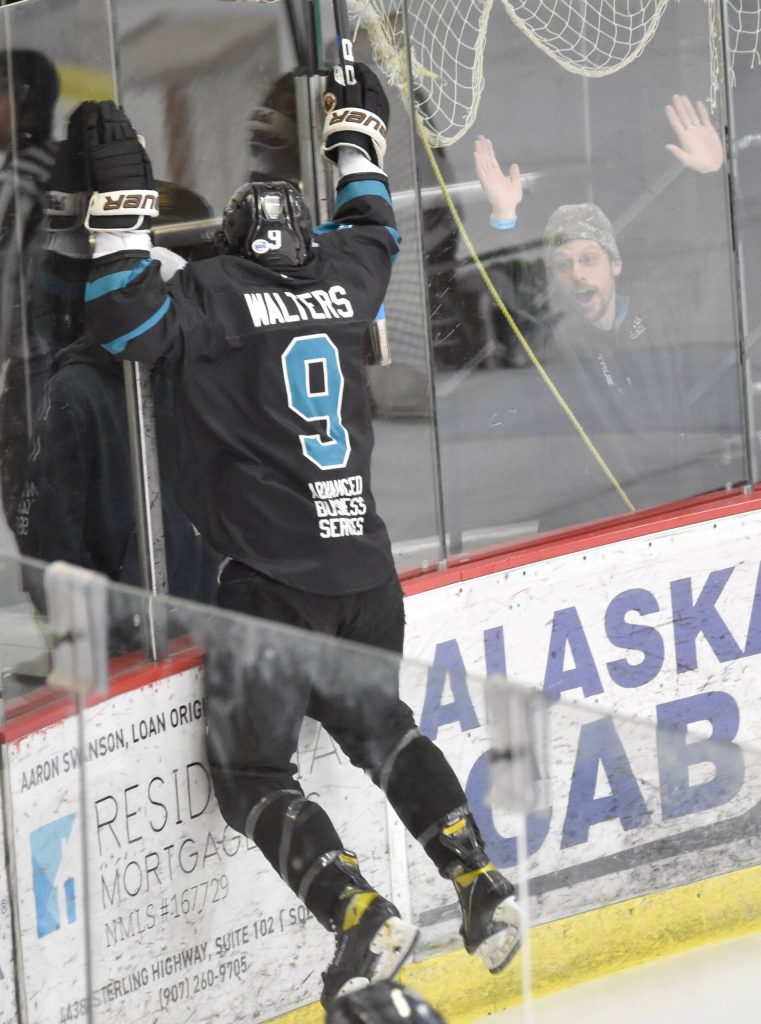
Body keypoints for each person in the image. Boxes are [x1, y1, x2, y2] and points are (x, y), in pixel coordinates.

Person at [75, 65, 520, 1008]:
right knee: (384, 729)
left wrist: (117, 213)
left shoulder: (210, 295)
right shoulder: (343, 278)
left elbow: (121, 319)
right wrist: (353, 139)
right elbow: (372, 222)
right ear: (303, 240)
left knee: (250, 775)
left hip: (269, 588)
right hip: (363, 569)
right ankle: (478, 878)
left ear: (232, 242)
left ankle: (354, 909)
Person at [0, 49, 60, 523]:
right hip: (59, 355)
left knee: (33, 509)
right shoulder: (55, 162)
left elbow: (6, 278)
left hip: (34, 361)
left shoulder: (19, 179)